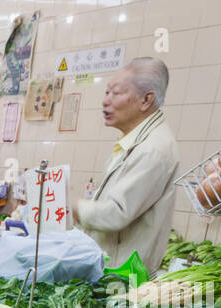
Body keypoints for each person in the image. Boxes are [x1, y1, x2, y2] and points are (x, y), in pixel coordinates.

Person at [72, 57, 179, 273]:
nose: (105, 101)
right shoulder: (135, 141)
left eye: (116, 93)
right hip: (109, 268)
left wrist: (69, 204)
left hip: (121, 277)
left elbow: (115, 214)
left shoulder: (153, 149)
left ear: (146, 100)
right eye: (107, 92)